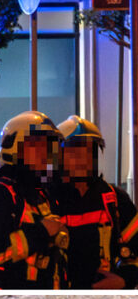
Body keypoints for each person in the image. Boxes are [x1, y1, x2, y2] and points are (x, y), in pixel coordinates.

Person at [0, 111, 68, 289]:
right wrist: (42, 231)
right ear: (14, 147)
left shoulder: (38, 191)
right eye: (38, 148)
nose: (45, 155)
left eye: (49, 148)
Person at [54, 115, 138, 289]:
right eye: (74, 152)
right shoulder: (47, 199)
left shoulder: (115, 199)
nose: (83, 159)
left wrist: (123, 280)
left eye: (88, 151)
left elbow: (135, 251)